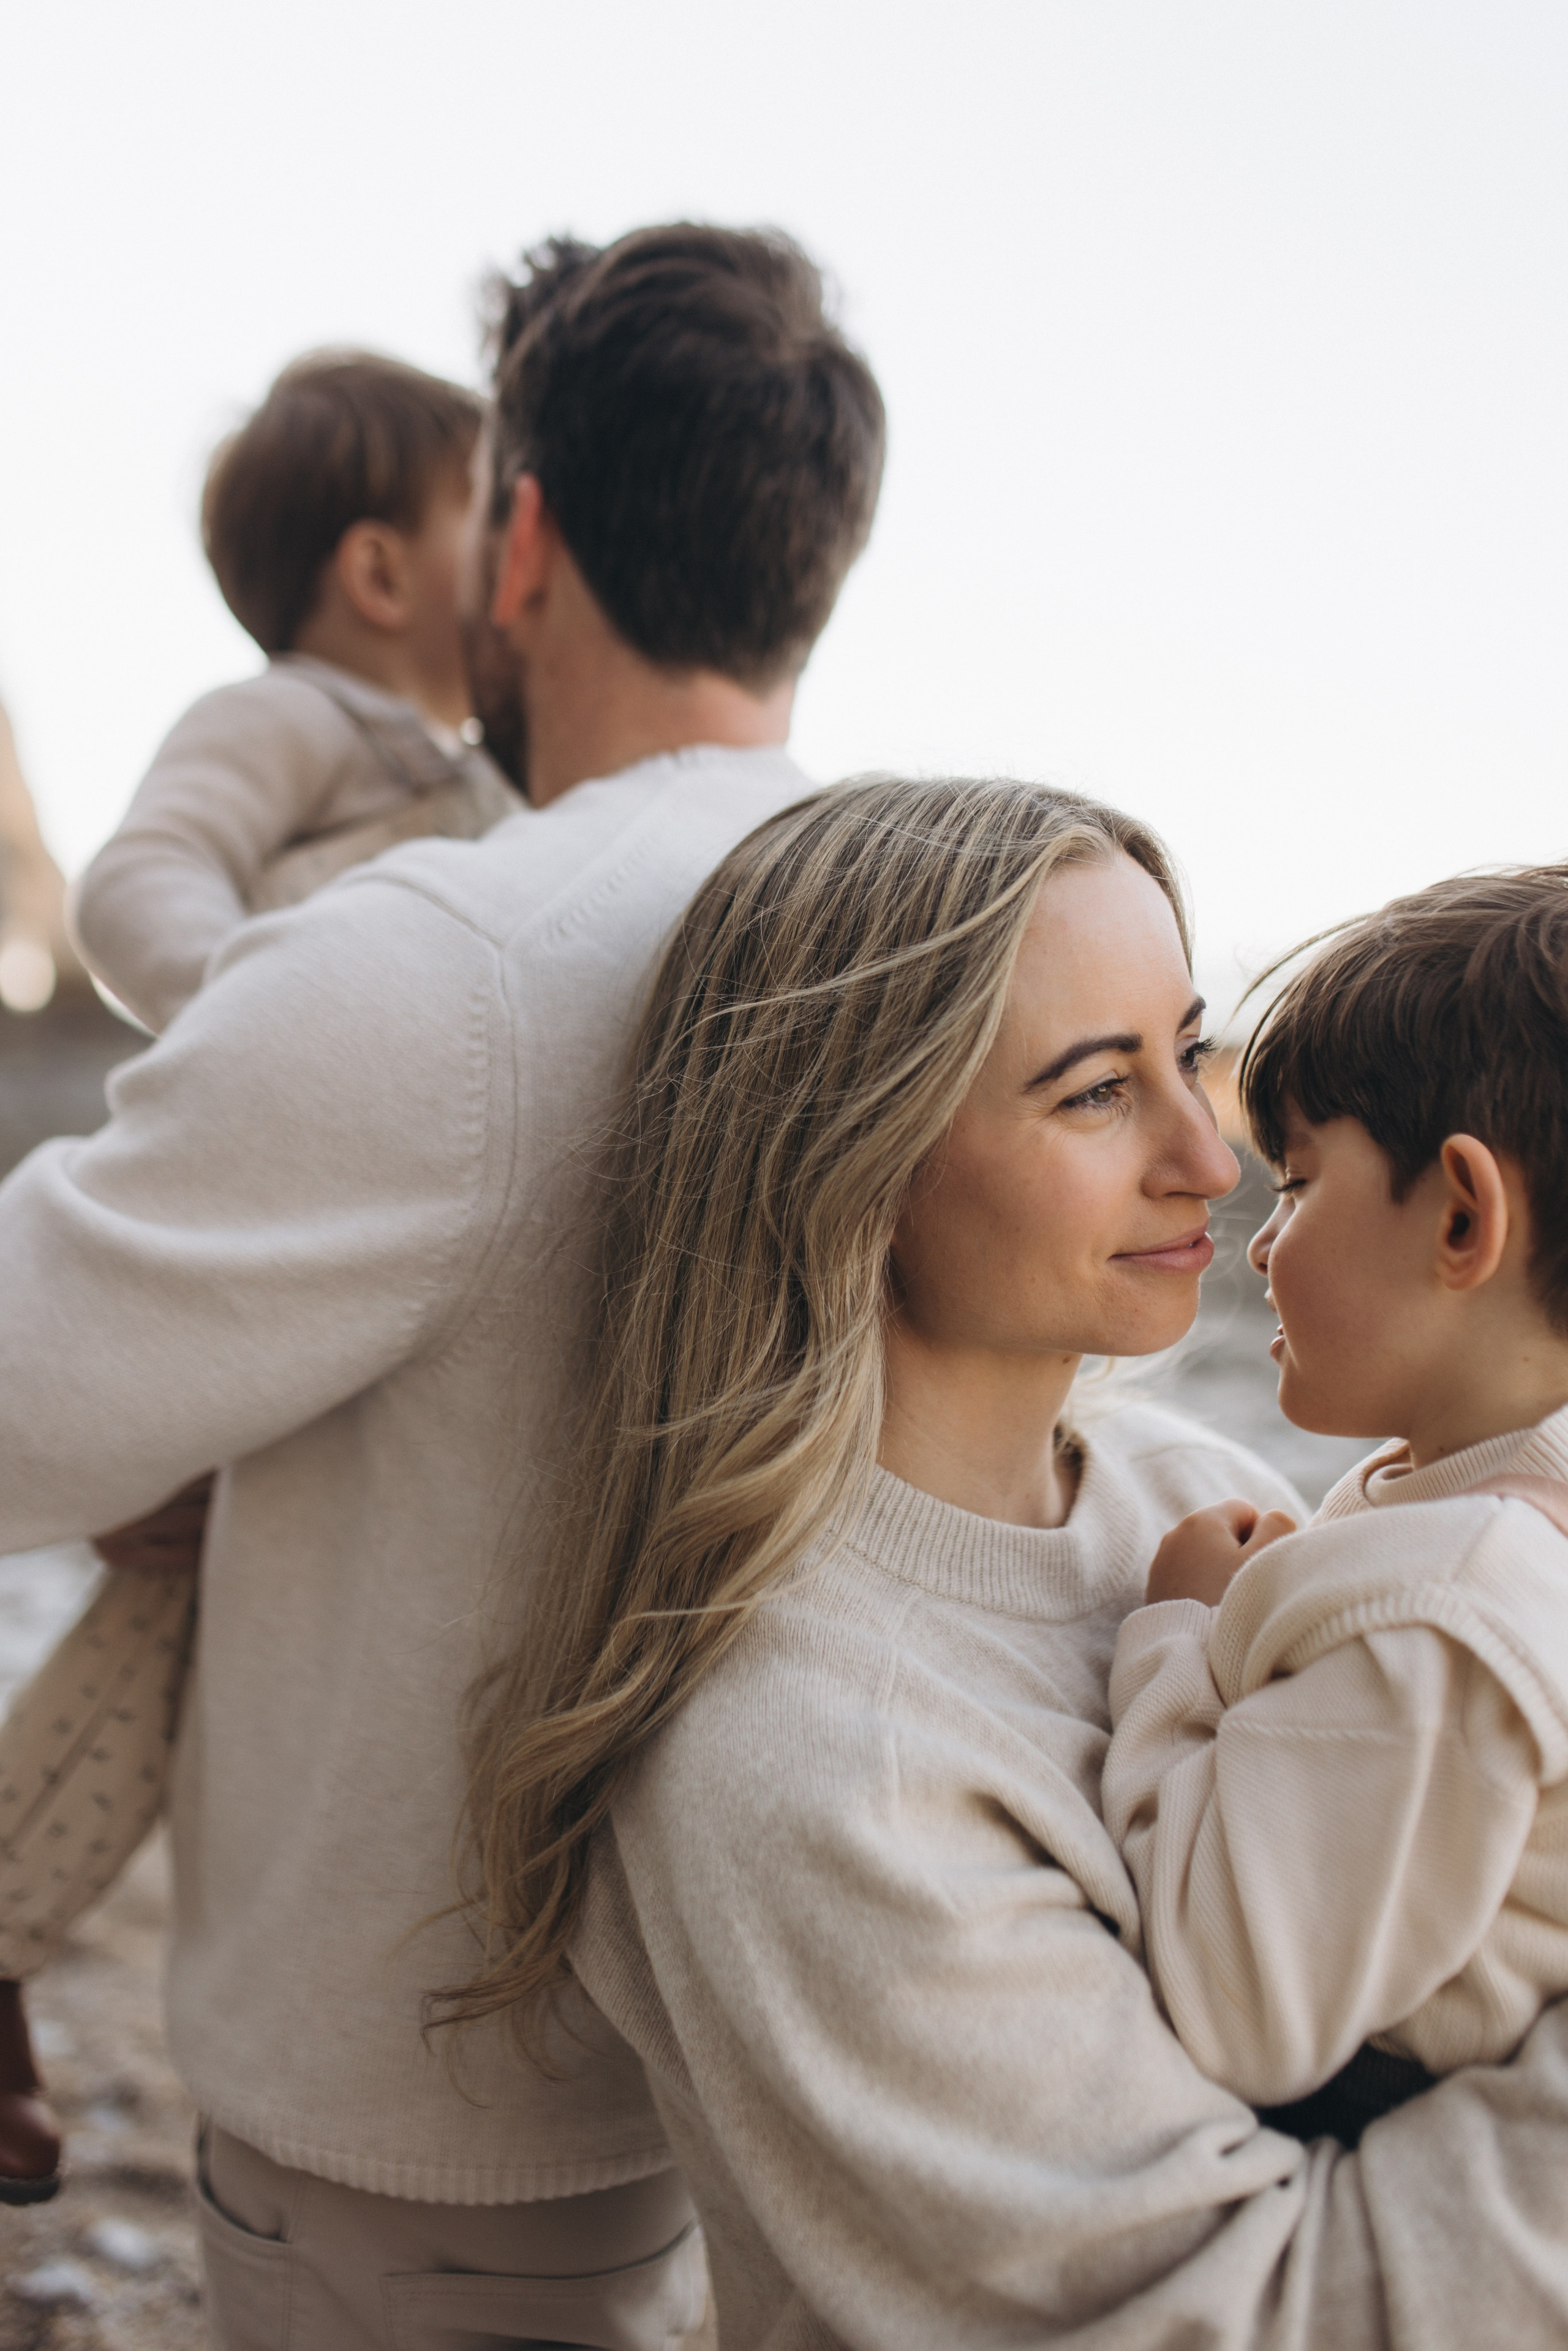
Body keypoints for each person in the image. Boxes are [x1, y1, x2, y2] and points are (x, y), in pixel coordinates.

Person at [0, 223, 884, 2349]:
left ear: (528, 543)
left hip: (401, 2119)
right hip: (778, 2081)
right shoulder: (918, 938)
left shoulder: (444, 965)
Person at [455, 777, 1568, 2349]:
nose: (1210, 1158)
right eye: (1096, 1091)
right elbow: (1251, 2311)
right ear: (856, 1153)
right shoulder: (811, 1753)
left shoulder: (1200, 1494)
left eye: (1185, 1052)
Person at [0, 349, 522, 2203]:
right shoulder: (295, 716)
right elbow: (138, 880)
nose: (526, 550)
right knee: (150, 1629)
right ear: (378, 570)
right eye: (491, 515)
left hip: (361, 1292)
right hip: (269, 1220)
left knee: (214, 1615)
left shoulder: (482, 780)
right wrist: (275, 1019)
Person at [1102, 867, 1568, 2149]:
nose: (1257, 1240)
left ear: (1462, 1216)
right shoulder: (1485, 1507)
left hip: (1368, 2122)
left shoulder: (1447, 1604)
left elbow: (1225, 1998)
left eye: (1297, 1185)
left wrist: (1178, 1643)